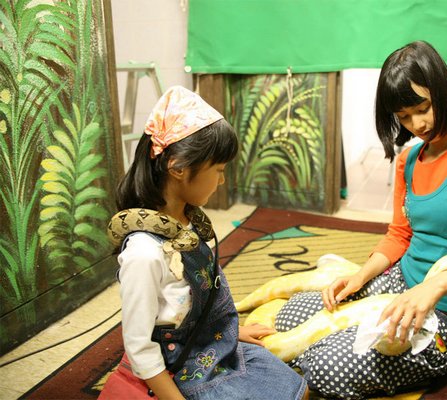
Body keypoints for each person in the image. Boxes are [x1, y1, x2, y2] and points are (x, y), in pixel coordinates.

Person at [274, 41, 447, 398]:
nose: (417, 124)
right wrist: (361, 276)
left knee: (323, 366)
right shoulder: (409, 160)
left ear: (443, 90)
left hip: (446, 314)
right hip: (400, 281)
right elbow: (399, 234)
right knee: (289, 315)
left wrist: (433, 287)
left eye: (423, 108)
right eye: (404, 116)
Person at [103, 86, 308, 400]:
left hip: (209, 345)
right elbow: (139, 349)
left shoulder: (189, 223)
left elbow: (198, 301)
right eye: (219, 170)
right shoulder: (144, 253)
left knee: (296, 390)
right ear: (178, 167)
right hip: (177, 367)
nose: (222, 180)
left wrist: (230, 333)